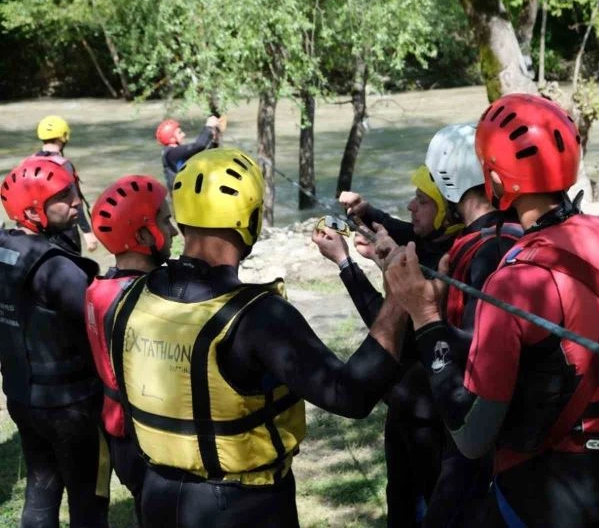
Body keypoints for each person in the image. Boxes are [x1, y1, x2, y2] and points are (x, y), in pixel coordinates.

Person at [385, 94, 599, 527]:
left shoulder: (517, 280)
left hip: (539, 492)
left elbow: (471, 436)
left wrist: (425, 316)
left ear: (495, 180)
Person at [107, 147, 407, 527]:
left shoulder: (128, 299)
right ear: (249, 218)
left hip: (157, 496)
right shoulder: (259, 317)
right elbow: (351, 395)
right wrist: (398, 299)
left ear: (180, 221)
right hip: (243, 508)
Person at [330, 165, 463, 527]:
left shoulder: (441, 265)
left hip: (427, 416)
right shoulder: (436, 244)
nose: (411, 206)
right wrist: (368, 214)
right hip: (405, 406)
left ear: (448, 211)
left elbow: (386, 325)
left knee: (425, 505)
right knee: (402, 500)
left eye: (422, 200)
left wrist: (347, 264)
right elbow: (407, 231)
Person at [0, 156, 110, 527]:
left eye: (74, 190)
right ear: (33, 207)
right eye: (63, 195)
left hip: (22, 396)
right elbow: (103, 323)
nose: (77, 201)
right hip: (71, 405)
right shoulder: (58, 268)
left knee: (41, 488)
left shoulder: (4, 248)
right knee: (88, 499)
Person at [85, 175, 178, 525]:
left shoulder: (97, 288)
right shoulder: (147, 300)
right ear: (142, 236)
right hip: (149, 441)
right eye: (165, 221)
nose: (174, 231)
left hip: (119, 436)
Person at [35, 114, 99, 254]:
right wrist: (87, 233)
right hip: (64, 231)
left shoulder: (31, 162)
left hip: (38, 232)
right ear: (63, 136)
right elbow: (75, 201)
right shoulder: (63, 165)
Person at [155, 116, 221, 191]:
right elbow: (199, 145)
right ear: (171, 138)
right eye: (179, 133)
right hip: (182, 196)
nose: (183, 135)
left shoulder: (175, 153)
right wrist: (209, 126)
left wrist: (214, 141)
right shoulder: (171, 154)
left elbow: (202, 155)